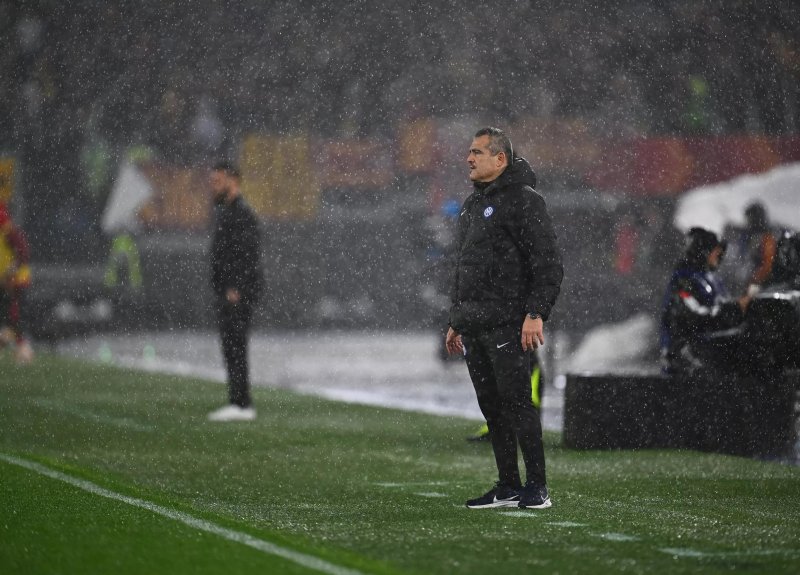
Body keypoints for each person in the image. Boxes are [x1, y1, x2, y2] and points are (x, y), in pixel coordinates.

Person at [446, 127, 563, 510]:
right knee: (492, 408)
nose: (469, 158)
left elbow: (548, 263)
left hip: (508, 323)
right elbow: (465, 269)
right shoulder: (472, 205)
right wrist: (457, 319)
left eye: (477, 152)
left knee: (518, 405)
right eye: (470, 152)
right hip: (475, 325)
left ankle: (538, 487)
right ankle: (508, 485)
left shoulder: (525, 201)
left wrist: (535, 313)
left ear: (500, 159)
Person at [207, 161, 262, 422]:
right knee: (231, 347)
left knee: (236, 345)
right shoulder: (228, 212)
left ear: (233, 181)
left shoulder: (242, 214)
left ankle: (241, 402)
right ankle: (237, 400)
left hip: (236, 294)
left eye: (218, 181)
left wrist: (236, 287)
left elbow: (248, 254)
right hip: (227, 291)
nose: (214, 187)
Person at [660, 227, 750, 375]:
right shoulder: (684, 280)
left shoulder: (711, 279)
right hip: (688, 359)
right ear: (703, 251)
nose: (720, 256)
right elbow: (694, 317)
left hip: (711, 353)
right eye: (716, 251)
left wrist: (743, 310)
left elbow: (722, 309)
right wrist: (735, 308)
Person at [0, 203, 34, 363]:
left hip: (17, 281)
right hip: (7, 281)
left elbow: (24, 253)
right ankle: (15, 345)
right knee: (10, 317)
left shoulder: (9, 232)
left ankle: (24, 351)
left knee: (14, 316)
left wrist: (11, 271)